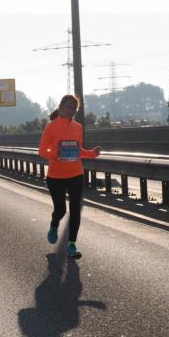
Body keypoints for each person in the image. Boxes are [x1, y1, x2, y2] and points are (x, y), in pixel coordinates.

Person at [38, 94, 102, 259]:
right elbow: (42, 151)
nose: (71, 110)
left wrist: (92, 154)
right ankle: (54, 224)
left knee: (75, 210)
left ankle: (72, 244)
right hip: (56, 176)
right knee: (60, 209)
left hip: (76, 174)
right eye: (68, 107)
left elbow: (78, 150)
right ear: (60, 108)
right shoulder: (51, 126)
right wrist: (56, 154)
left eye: (74, 108)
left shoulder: (78, 127)